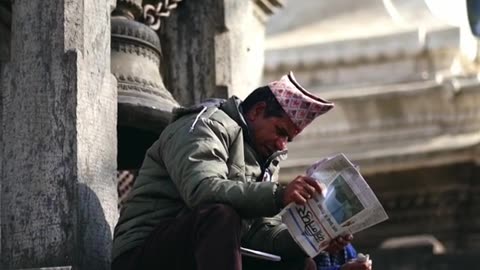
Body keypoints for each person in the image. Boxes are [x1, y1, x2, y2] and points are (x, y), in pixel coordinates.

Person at [111, 72, 352, 270]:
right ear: (257, 111)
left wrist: (314, 239)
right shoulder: (203, 125)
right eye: (280, 131)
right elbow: (202, 191)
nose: (282, 145)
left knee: (300, 265)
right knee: (219, 216)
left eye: (288, 139)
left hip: (198, 253)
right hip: (139, 255)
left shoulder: (265, 158)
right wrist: (278, 195)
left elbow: (261, 233)